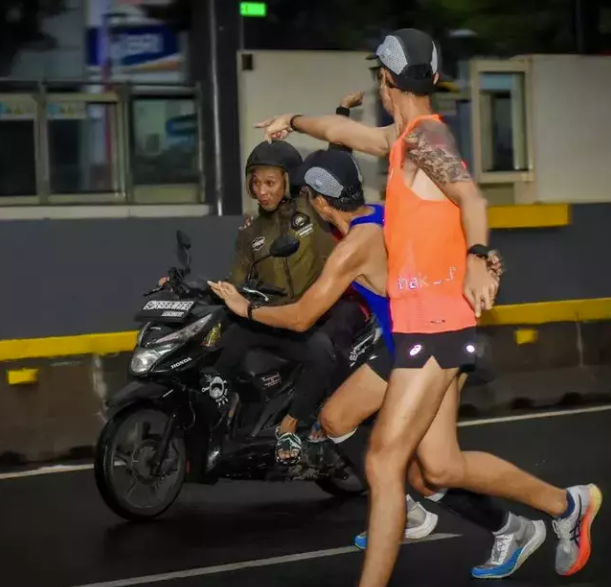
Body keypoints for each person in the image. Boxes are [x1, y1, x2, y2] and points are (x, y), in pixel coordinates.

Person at [254, 29, 601, 585]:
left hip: (435, 326)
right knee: (440, 467)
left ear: (385, 81)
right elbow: (345, 130)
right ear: (432, 80)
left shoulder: (426, 142)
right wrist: (292, 120)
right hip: (428, 324)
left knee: (384, 461)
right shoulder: (405, 137)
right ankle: (567, 506)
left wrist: (478, 254)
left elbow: (471, 197)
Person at [210, 149, 545, 579]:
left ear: (322, 202)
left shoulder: (353, 246)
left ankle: (514, 525)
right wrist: (478, 259)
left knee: (431, 472)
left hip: (422, 347)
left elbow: (300, 318)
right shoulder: (382, 215)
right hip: (403, 345)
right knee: (336, 419)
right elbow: (436, 241)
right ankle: (410, 510)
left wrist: (244, 310)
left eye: (309, 196)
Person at [211, 139, 363, 465]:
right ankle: (228, 409)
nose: (261, 190)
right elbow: (237, 280)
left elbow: (331, 168)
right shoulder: (250, 234)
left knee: (322, 352)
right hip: (277, 317)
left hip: (314, 314)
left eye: (270, 182)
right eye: (256, 182)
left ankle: (291, 425)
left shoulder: (312, 208)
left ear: (289, 181)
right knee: (228, 338)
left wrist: (341, 117)